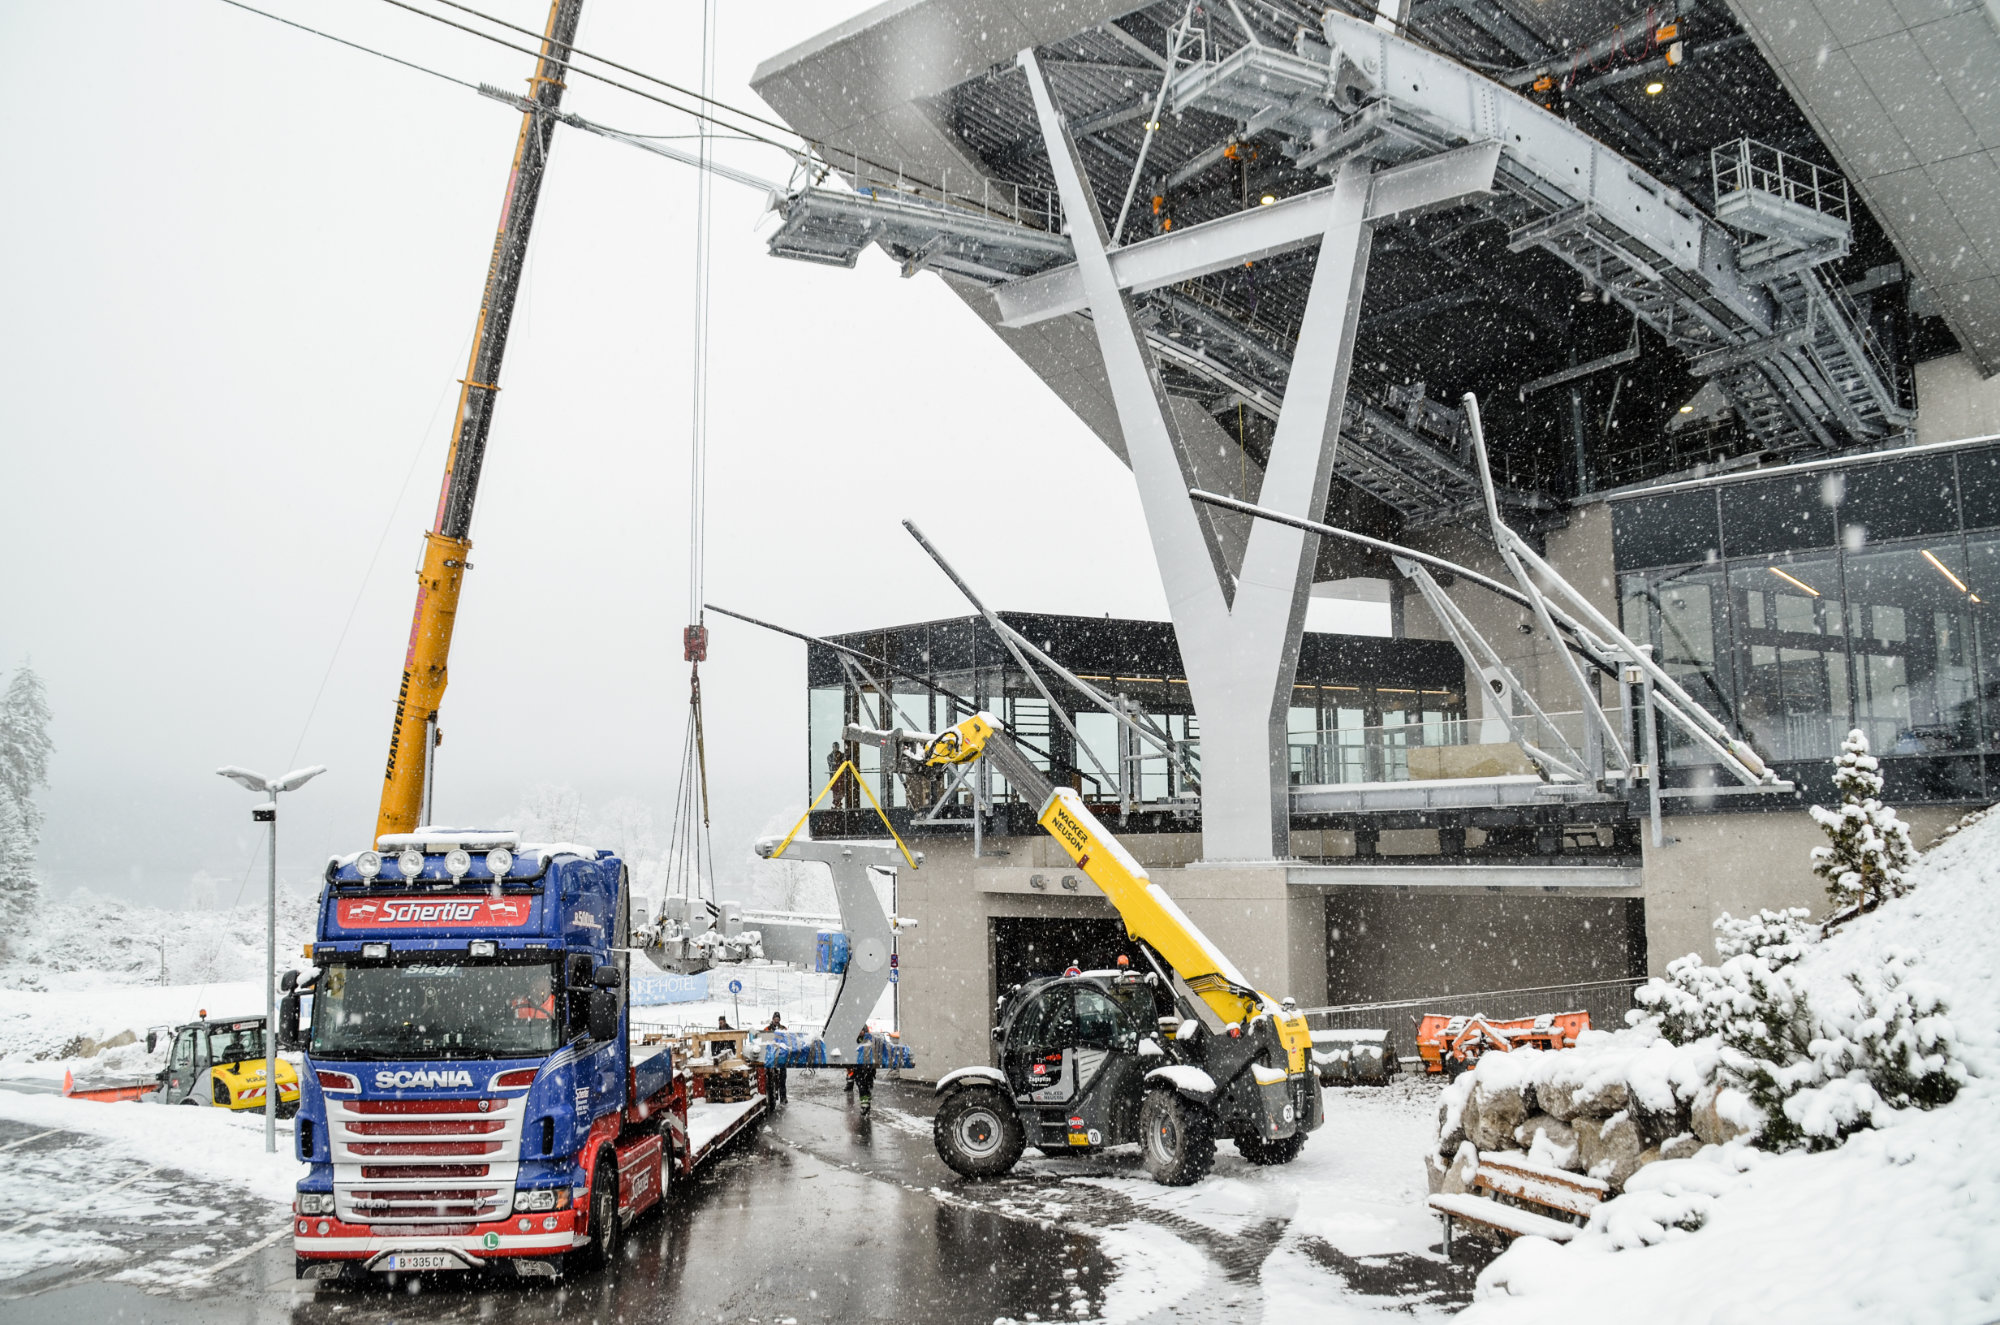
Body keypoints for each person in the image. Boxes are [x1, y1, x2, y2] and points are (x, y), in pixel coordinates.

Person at [852, 1026, 877, 1115]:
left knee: (865, 1086)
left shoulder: (868, 1040)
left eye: (862, 1030)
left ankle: (866, 1106)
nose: (860, 1032)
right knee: (863, 1087)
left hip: (867, 1068)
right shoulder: (856, 1040)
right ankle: (865, 1106)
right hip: (860, 1068)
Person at [764, 1012, 788, 1105]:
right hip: (771, 1058)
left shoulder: (784, 1029)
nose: (776, 1020)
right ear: (772, 1019)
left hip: (782, 1058)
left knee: (782, 1079)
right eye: (775, 1018)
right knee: (771, 1079)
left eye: (778, 1019)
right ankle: (772, 1098)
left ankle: (783, 1097)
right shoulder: (767, 1029)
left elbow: (787, 1040)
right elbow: (763, 1040)